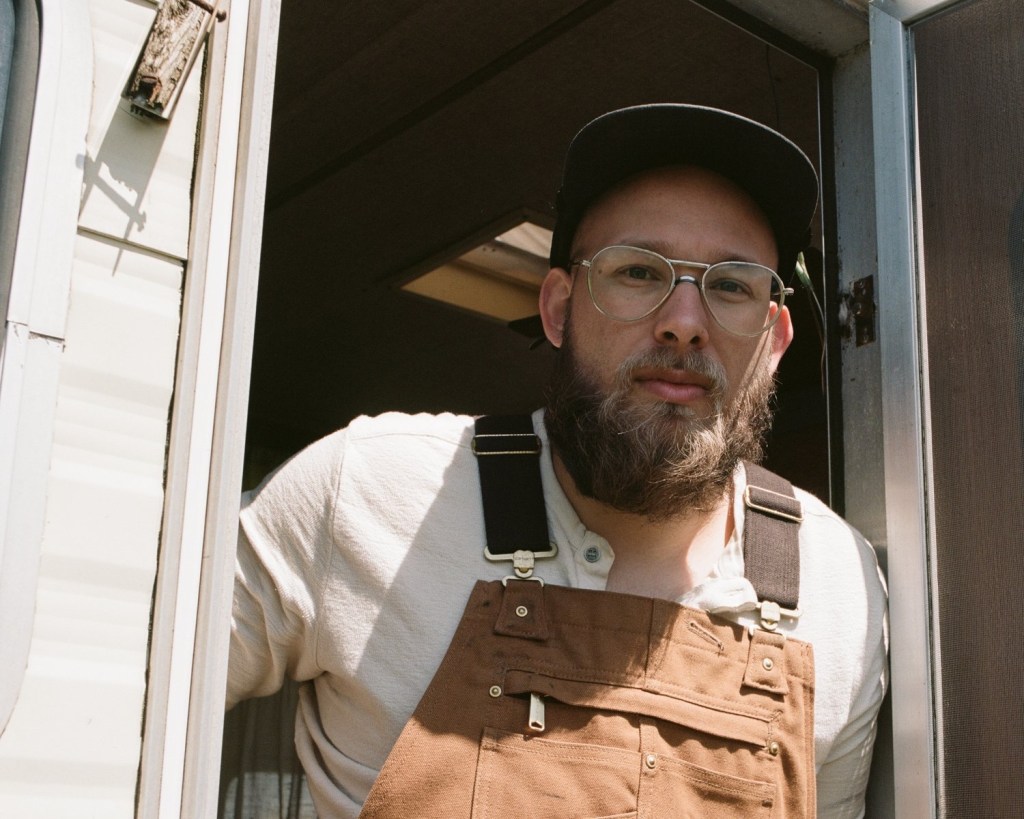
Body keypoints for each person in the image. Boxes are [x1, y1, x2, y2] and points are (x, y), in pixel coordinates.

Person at [228, 104, 888, 818]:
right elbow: (141, 696)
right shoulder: (367, 491)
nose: (684, 323)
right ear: (558, 310)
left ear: (775, 338)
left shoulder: (841, 585)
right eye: (639, 271)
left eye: (731, 285)